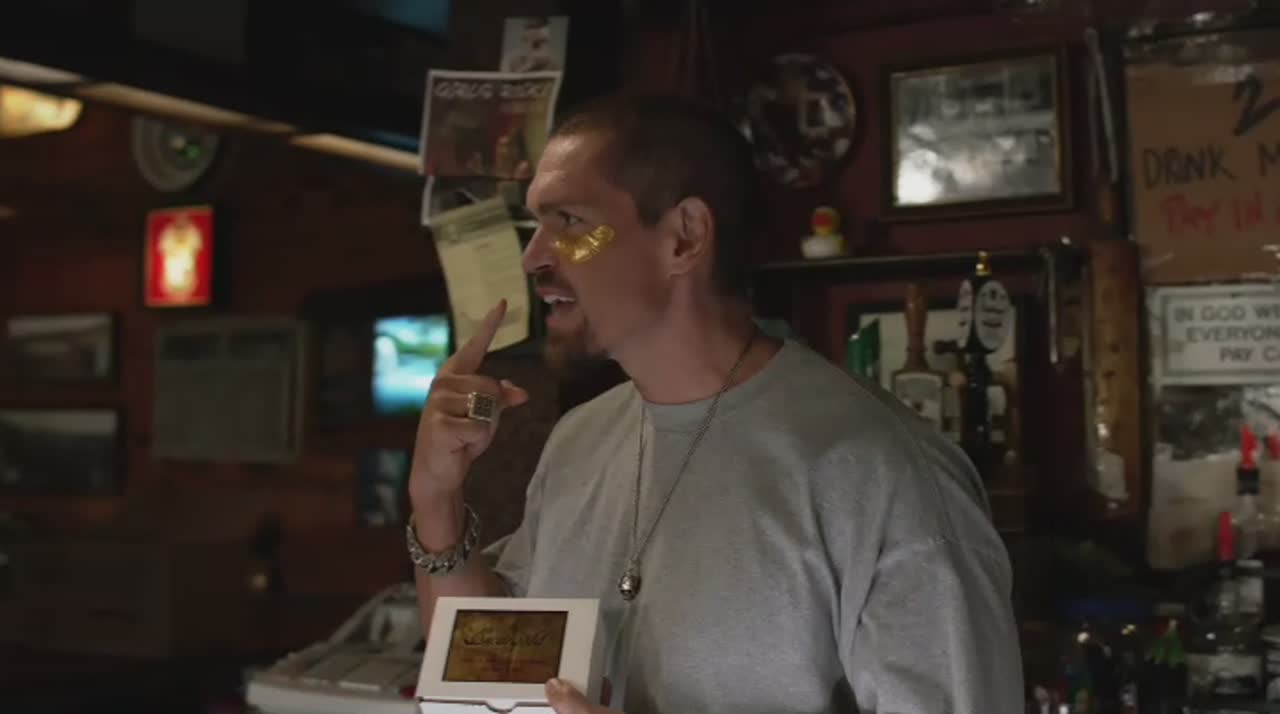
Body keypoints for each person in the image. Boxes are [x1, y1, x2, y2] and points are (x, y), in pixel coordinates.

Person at [407, 93, 1023, 714]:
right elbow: (489, 676)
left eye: (568, 221)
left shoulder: (885, 473)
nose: (533, 257)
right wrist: (436, 501)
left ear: (685, 237)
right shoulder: (577, 441)